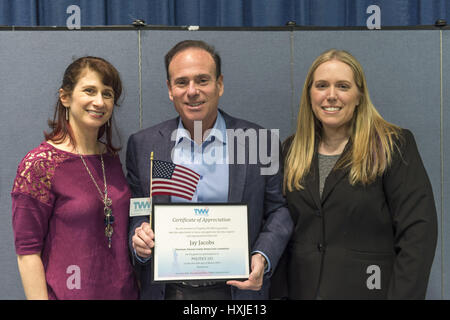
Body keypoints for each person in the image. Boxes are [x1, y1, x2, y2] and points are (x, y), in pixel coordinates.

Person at [126, 40, 293, 300]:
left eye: (202, 80)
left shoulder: (257, 141)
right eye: (181, 82)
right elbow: (138, 210)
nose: (192, 91)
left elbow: (278, 210)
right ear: (170, 89)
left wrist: (263, 256)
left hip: (237, 292)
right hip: (168, 292)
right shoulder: (144, 144)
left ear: (220, 84)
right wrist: (139, 239)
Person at [271, 49, 438, 300]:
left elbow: (418, 234)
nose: (331, 96)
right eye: (321, 86)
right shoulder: (291, 150)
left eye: (343, 86)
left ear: (359, 95)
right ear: (309, 94)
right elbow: (283, 228)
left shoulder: (392, 145)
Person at [11, 56, 139, 299]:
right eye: (89, 90)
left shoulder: (110, 159)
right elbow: (27, 253)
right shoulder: (39, 164)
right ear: (65, 97)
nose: (99, 101)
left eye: (108, 93)